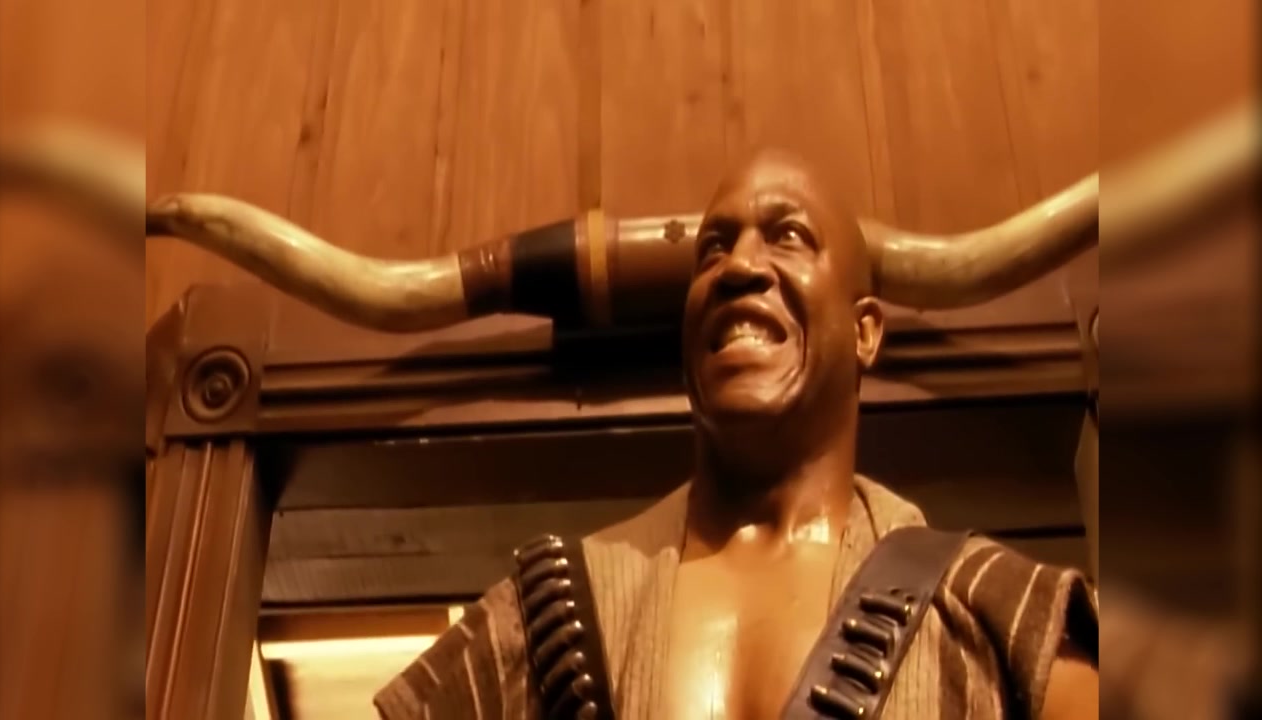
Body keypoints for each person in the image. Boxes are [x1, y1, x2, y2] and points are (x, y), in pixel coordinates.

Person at [371, 150, 1099, 720]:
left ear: (866, 332)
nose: (740, 267)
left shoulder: (998, 614)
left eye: (790, 237)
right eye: (713, 250)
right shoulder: (542, 618)